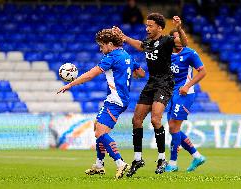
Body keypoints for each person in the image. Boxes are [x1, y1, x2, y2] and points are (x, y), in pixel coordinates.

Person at [57, 28, 145, 179]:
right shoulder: (127, 55)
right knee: (96, 125)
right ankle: (99, 164)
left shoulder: (111, 57)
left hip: (115, 99)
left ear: (110, 44)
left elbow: (91, 74)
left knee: (100, 133)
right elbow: (141, 73)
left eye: (102, 45)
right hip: (119, 98)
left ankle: (120, 162)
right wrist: (128, 72)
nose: (100, 49)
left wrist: (70, 85)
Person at [113, 13, 188, 176]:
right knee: (136, 120)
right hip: (151, 82)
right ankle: (138, 158)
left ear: (159, 27)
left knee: (155, 119)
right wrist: (124, 37)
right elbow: (140, 45)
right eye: (147, 25)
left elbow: (183, 43)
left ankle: (162, 159)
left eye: (150, 26)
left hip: (165, 83)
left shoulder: (167, 41)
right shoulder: (148, 42)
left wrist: (179, 28)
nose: (147, 28)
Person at [165, 29, 206, 173]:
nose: (180, 39)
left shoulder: (190, 53)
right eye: (176, 37)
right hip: (172, 93)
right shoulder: (167, 54)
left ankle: (173, 163)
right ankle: (197, 156)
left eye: (181, 37)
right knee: (173, 128)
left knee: (173, 127)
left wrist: (187, 85)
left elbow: (203, 71)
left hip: (185, 93)